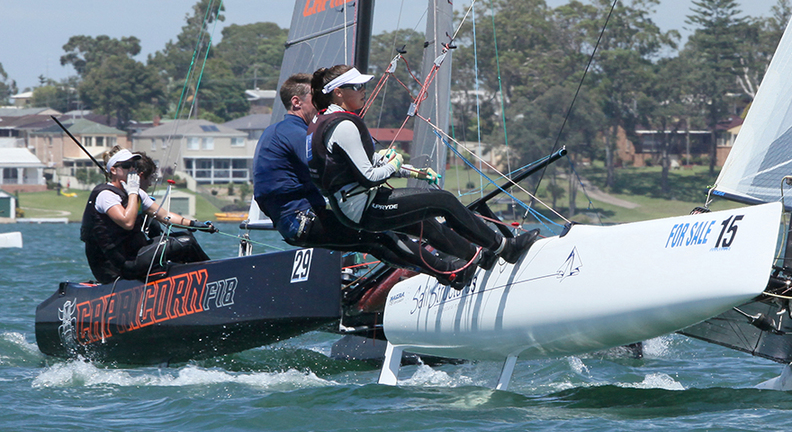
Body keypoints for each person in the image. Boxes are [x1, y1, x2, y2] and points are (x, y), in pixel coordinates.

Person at [253, 73, 477, 289]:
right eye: (316, 99)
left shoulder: (293, 131)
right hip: (300, 220)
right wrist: (390, 169)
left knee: (392, 231)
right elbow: (344, 168)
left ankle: (460, 263)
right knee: (378, 234)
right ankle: (452, 272)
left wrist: (411, 172)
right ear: (296, 102)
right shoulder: (292, 131)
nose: (322, 104)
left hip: (300, 220)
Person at [308, 64, 539, 270]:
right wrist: (395, 163)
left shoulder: (324, 121)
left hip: (352, 207)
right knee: (443, 201)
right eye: (357, 86)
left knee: (425, 224)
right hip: (364, 208)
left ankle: (479, 259)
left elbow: (362, 166)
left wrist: (412, 171)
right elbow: (369, 177)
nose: (363, 90)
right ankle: (505, 248)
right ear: (338, 92)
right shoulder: (344, 126)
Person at [81, 148, 213, 284]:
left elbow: (164, 215)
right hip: (119, 264)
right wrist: (132, 192)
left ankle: (196, 278)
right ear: (113, 171)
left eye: (134, 165)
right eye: (126, 166)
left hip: (135, 253)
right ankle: (213, 278)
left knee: (185, 236)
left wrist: (194, 224)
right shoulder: (106, 196)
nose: (132, 169)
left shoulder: (136, 192)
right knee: (186, 243)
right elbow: (127, 222)